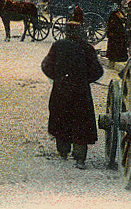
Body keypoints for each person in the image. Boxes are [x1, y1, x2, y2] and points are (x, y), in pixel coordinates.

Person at [41, 20, 104, 169]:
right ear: (80, 32)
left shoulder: (58, 46)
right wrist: (84, 80)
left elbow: (46, 66)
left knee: (60, 118)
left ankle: (63, 151)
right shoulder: (87, 48)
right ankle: (80, 157)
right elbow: (98, 71)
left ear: (66, 31)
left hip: (61, 90)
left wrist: (57, 78)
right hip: (80, 92)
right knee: (81, 122)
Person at [105, 3, 130, 68]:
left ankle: (112, 64)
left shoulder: (117, 14)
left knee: (114, 50)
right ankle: (111, 64)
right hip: (115, 35)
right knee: (113, 51)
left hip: (117, 35)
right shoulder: (114, 15)